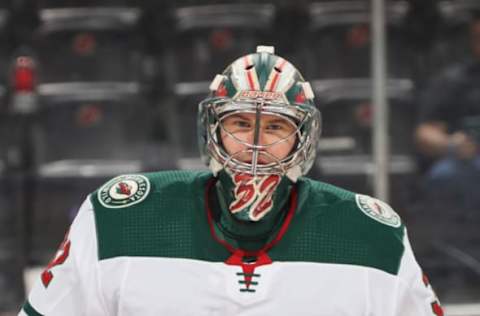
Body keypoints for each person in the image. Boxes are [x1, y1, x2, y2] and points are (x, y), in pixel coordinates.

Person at [19, 46, 443, 316]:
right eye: (240, 123)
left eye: (276, 127)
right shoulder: (119, 218)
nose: (255, 145)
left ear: (304, 139)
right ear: (213, 130)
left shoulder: (371, 235)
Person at [415, 16, 480, 210]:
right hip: (466, 162)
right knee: (445, 176)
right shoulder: (452, 82)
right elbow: (424, 133)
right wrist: (450, 144)